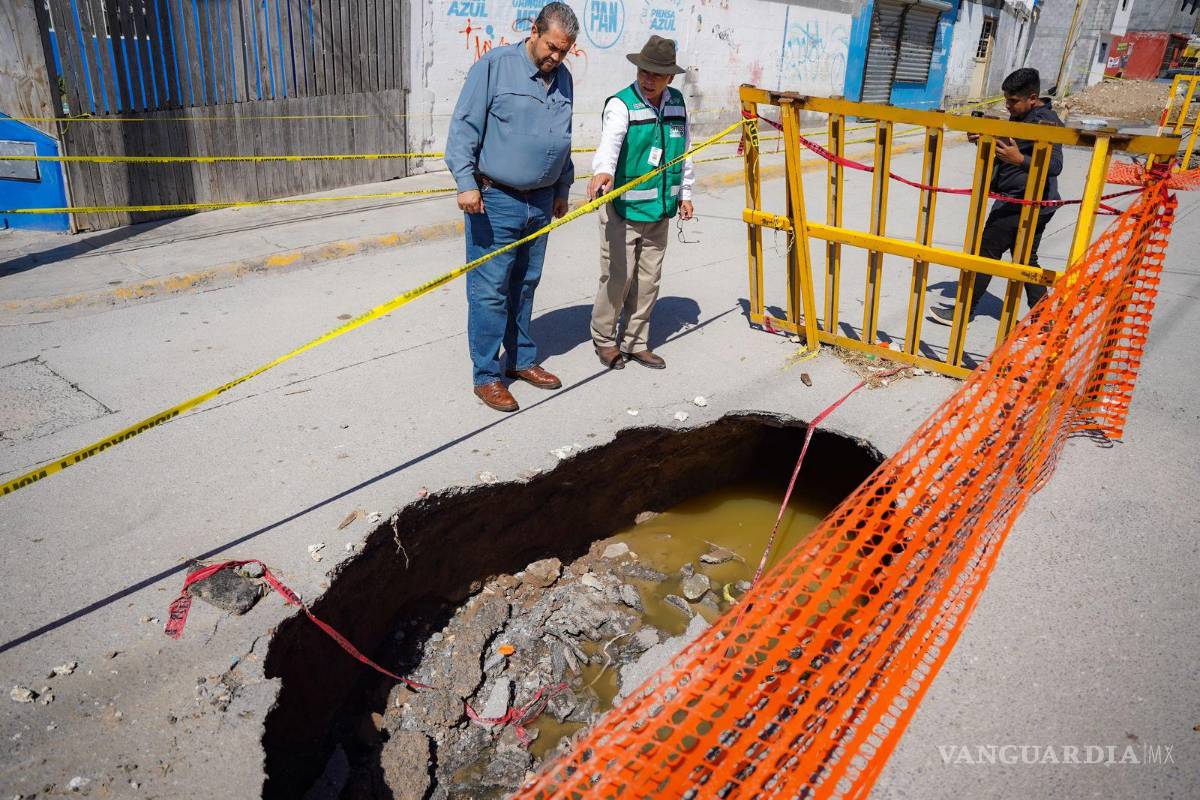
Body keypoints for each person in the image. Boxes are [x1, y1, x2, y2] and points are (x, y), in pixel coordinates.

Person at [444, 3, 578, 412]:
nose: (556, 57)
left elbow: (563, 136)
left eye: (564, 51)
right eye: (552, 47)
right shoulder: (495, 66)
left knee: (525, 284)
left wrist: (562, 185)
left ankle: (521, 359)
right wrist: (466, 183)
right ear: (534, 31)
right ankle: (486, 375)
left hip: (540, 201)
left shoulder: (564, 79)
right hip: (495, 198)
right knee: (490, 290)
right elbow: (464, 126)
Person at [586, 35, 695, 370]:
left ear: (670, 79)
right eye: (643, 72)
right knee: (619, 277)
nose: (648, 79)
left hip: (659, 208)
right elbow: (610, 144)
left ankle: (636, 342)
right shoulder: (621, 105)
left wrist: (685, 193)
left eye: (656, 75)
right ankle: (605, 339)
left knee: (648, 280)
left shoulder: (677, 104)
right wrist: (603, 172)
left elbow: (685, 151)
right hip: (623, 210)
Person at [929, 68, 1063, 326]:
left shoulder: (1046, 122)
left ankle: (964, 312)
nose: (1008, 105)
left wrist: (1021, 160)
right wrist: (983, 142)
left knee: (986, 254)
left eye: (1013, 101)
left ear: (1032, 97)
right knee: (1025, 260)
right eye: (1006, 99)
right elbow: (1007, 151)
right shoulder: (1022, 117)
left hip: (1023, 203)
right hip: (1026, 201)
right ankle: (1045, 320)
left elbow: (1055, 165)